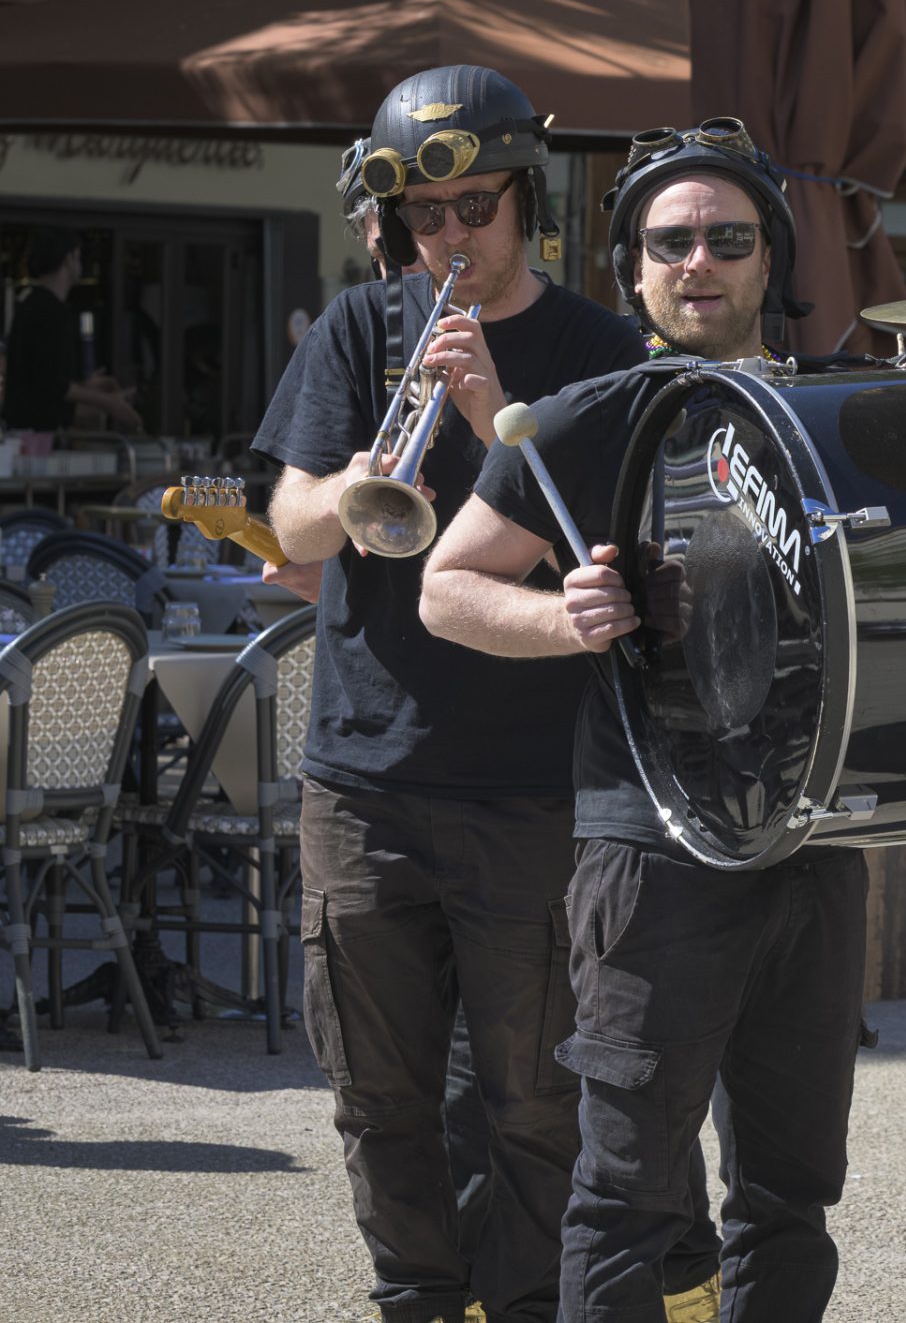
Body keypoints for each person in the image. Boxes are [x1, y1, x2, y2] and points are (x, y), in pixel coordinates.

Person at [421, 121, 862, 1319]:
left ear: (771, 256)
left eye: (727, 238)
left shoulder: (842, 410)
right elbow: (444, 585)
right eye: (671, 242)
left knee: (789, 1192)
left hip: (815, 840)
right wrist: (569, 619)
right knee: (622, 1192)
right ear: (634, 267)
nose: (699, 262)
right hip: (652, 844)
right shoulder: (584, 415)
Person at [256, 66, 645, 1323]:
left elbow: (603, 547)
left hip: (529, 783)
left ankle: (522, 1304)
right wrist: (354, 481)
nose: (453, 238)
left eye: (477, 206)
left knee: (533, 1095)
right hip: (362, 773)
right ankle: (417, 1298)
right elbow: (294, 526)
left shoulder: (597, 348)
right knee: (378, 1088)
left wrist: (489, 417)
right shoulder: (361, 328)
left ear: (525, 199)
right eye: (428, 217)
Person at [4, 229, 142, 432]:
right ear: (68, 258)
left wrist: (86, 386)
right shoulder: (50, 311)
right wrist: (109, 403)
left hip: (27, 428)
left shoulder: (31, 303)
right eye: (78, 256)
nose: (80, 265)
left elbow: (42, 378)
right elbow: (54, 386)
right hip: (39, 434)